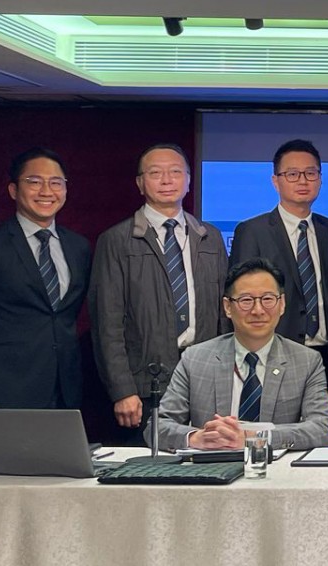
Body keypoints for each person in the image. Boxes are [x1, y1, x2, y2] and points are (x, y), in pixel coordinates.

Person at [91, 143, 231, 436]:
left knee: (209, 457)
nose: (167, 180)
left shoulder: (210, 238)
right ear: (140, 183)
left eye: (175, 172)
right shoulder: (117, 240)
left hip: (206, 379)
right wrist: (122, 389)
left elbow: (224, 316)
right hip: (145, 385)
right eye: (155, 173)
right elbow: (107, 322)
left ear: (189, 180)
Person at [0, 147, 92, 409]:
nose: (46, 191)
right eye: (34, 182)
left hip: (65, 389)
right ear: (13, 190)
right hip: (5, 388)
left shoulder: (79, 247)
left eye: (56, 183)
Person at [149, 259, 328, 452]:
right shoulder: (194, 359)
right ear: (228, 307)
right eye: (246, 300)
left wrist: (254, 438)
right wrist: (196, 438)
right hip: (212, 465)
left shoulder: (307, 361)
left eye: (267, 299)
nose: (258, 310)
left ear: (282, 304)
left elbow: (321, 429)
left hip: (276, 468)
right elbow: (157, 426)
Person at [226, 139, 328, 404]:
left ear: (320, 179)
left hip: (323, 356)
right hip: (269, 353)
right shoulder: (252, 231)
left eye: (310, 173)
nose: (302, 180)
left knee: (318, 425)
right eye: (292, 174)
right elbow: (239, 299)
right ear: (275, 181)